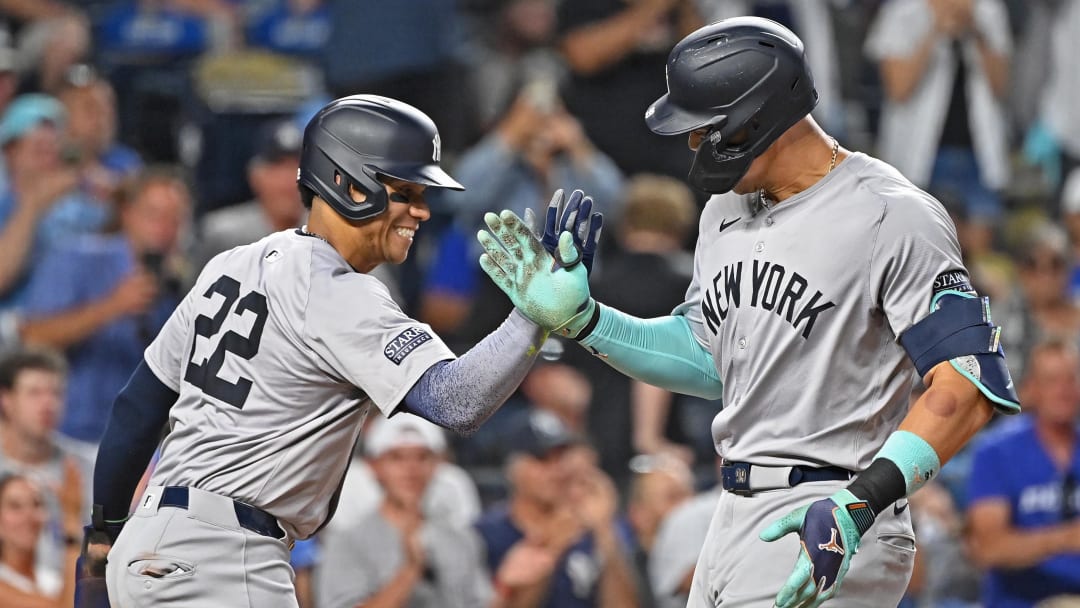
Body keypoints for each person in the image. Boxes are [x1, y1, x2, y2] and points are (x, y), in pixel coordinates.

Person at [475, 16, 1019, 608]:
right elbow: (709, 360)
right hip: (731, 510)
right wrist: (586, 320)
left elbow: (968, 384)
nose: (691, 144)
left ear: (755, 119)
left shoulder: (892, 215)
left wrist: (861, 503)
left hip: (832, 505)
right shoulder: (723, 212)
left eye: (703, 127)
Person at [83, 94, 600, 607]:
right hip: (222, 558)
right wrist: (531, 317)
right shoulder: (336, 290)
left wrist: (103, 536)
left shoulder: (231, 264)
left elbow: (138, 406)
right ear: (347, 184)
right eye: (405, 191)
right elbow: (456, 401)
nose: (420, 210)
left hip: (150, 544)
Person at [315, 414, 495, 608]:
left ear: (437, 464)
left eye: (422, 457)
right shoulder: (347, 542)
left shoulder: (463, 539)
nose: (411, 469)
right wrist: (409, 571)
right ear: (374, 466)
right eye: (396, 457)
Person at [474, 409, 640, 608]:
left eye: (561, 457)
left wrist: (604, 532)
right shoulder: (486, 534)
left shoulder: (595, 526)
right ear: (513, 468)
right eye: (542, 459)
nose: (556, 471)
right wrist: (551, 549)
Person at [965, 338, 1080, 607]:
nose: (1063, 391)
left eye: (1071, 380)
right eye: (1052, 381)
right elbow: (988, 548)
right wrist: (1065, 539)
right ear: (1031, 389)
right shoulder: (995, 452)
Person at [0, 347, 85, 573]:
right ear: (6, 400)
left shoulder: (85, 469)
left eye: (56, 393)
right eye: (34, 393)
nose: (48, 404)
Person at [0, 473, 80, 608]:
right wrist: (71, 518)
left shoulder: (52, 579)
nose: (29, 515)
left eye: (36, 504)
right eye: (15, 506)